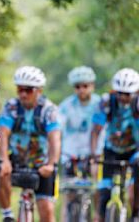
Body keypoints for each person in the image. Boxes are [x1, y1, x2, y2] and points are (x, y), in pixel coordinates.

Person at [0, 66, 61, 222]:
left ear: (39, 91)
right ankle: (7, 214)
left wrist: (51, 164)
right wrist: (4, 160)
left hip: (42, 163)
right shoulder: (12, 107)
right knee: (2, 171)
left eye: (28, 90)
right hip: (17, 160)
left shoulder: (49, 110)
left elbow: (55, 139)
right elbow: (3, 133)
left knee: (46, 210)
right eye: (20, 89)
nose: (23, 94)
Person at [91, 68, 139, 222]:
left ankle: (136, 215)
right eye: (120, 93)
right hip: (111, 149)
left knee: (134, 189)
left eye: (127, 94)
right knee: (104, 191)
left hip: (134, 150)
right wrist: (93, 154)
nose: (123, 97)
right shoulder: (107, 101)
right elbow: (96, 130)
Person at [58, 66, 101, 219]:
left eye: (85, 86)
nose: (81, 90)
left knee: (97, 188)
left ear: (92, 86)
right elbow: (58, 127)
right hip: (71, 154)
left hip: (93, 154)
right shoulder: (66, 106)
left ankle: (97, 215)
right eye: (77, 86)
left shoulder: (100, 104)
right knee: (68, 195)